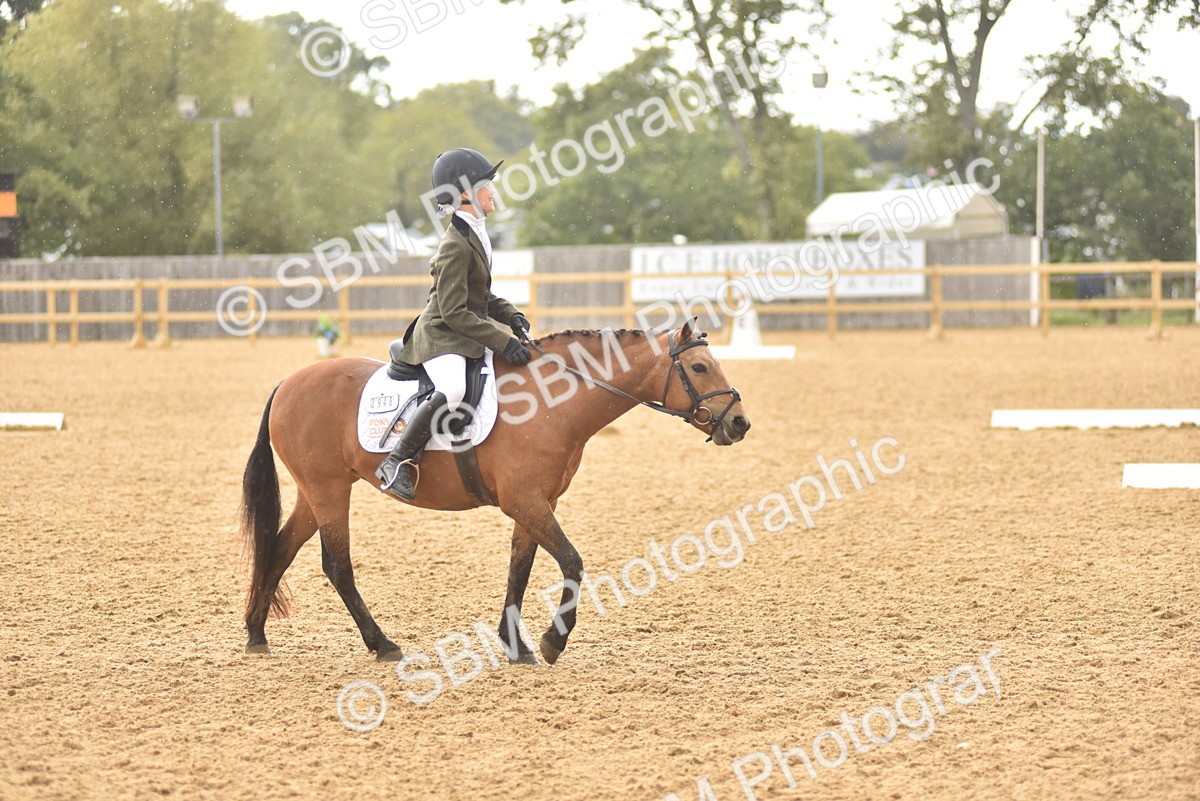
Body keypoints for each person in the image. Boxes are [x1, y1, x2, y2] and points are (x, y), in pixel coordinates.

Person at [376, 148, 532, 500]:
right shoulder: (454, 245)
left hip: (462, 330)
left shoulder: (476, 232)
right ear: (465, 193)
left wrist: (511, 315)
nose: (493, 191)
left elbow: (479, 295)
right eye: (486, 185)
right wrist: (503, 341)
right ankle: (396, 460)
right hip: (441, 337)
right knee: (455, 389)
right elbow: (454, 312)